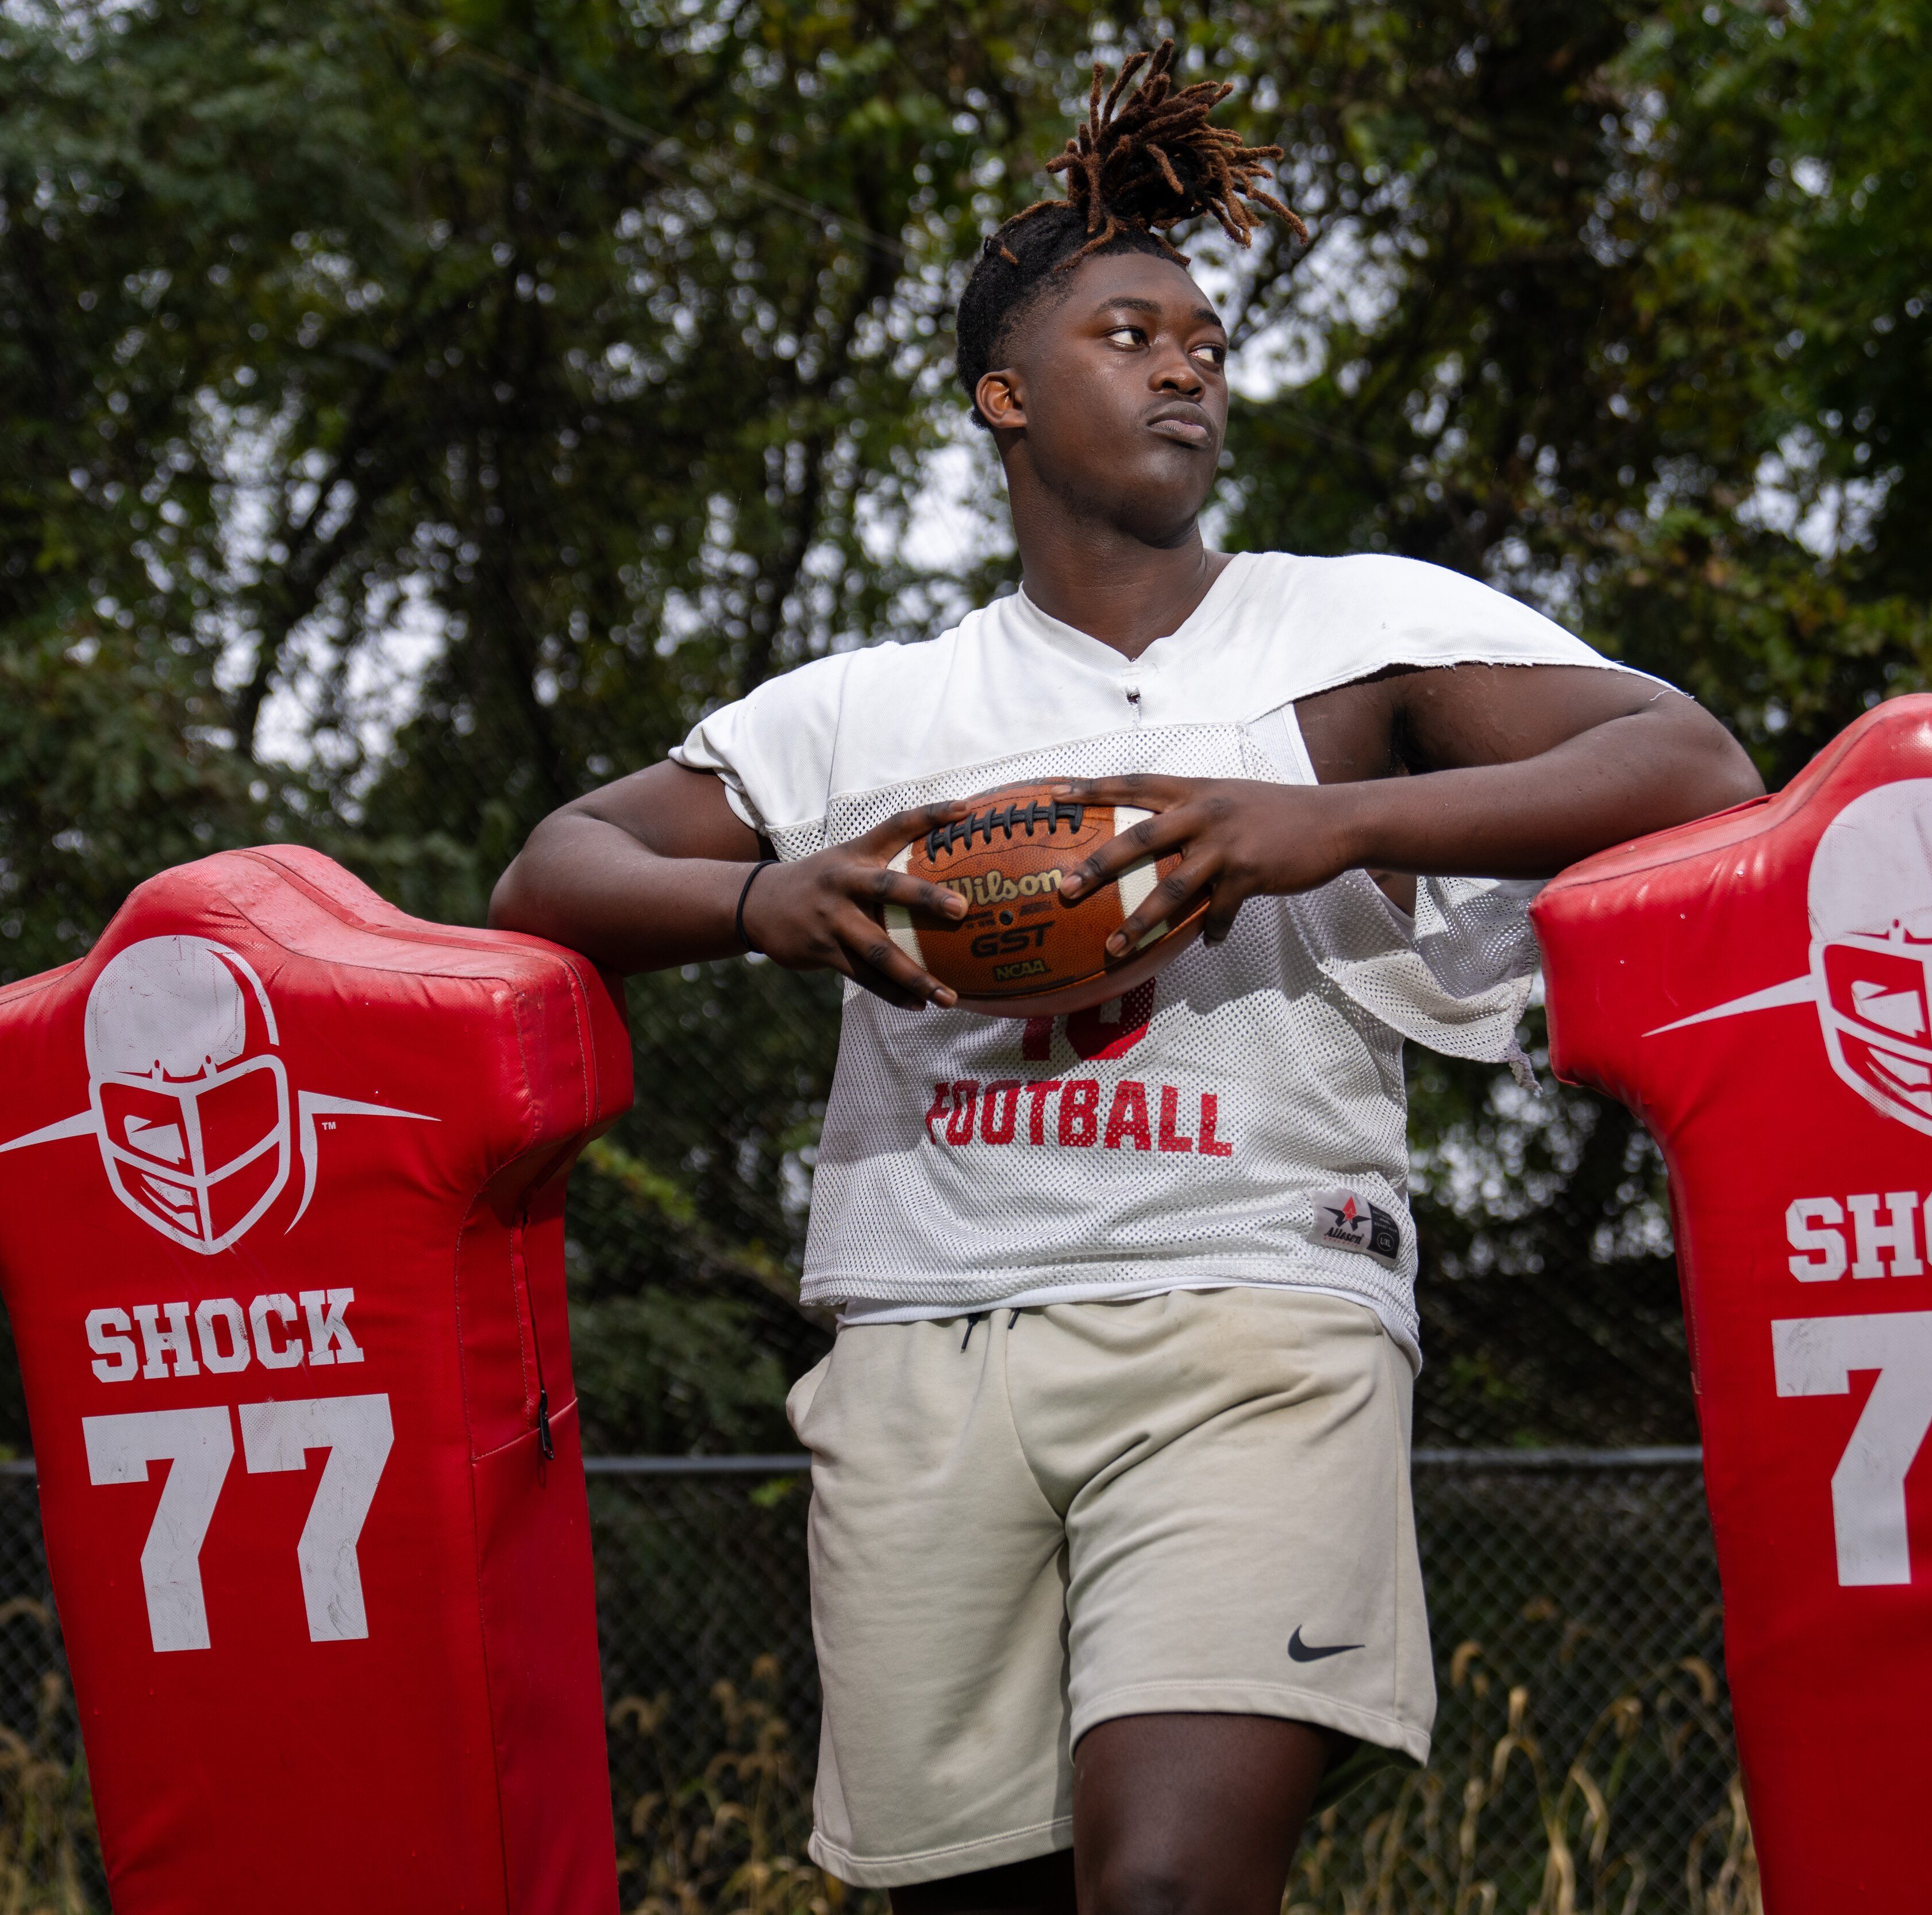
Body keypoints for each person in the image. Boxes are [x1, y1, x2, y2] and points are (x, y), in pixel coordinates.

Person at [491, 43, 1762, 1915]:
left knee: (1166, 1889)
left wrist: (1316, 823)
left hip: (1253, 1307)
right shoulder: (871, 709)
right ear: (1004, 396)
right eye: (1131, 332)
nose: (1187, 367)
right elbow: (553, 871)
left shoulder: (1346, 629)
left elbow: (1694, 765)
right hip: (926, 1330)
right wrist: (769, 902)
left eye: (1207, 342)